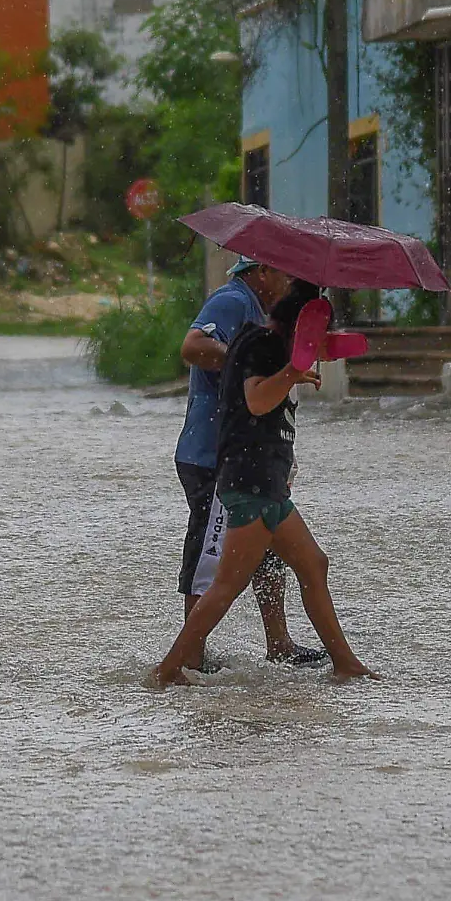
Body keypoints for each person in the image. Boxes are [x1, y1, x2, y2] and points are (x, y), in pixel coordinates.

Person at [154, 280, 377, 687]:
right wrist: (293, 372)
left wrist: (315, 358)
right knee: (227, 585)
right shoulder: (263, 346)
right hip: (251, 484)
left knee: (313, 563)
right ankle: (170, 669)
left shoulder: (273, 347)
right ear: (299, 329)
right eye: (316, 336)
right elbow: (256, 401)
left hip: (269, 483)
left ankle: (345, 663)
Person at [175, 257, 326, 670]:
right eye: (283, 274)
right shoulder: (232, 299)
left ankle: (279, 641)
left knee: (267, 550)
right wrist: (247, 362)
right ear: (260, 272)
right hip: (214, 456)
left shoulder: (258, 315)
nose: (286, 283)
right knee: (211, 557)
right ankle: (187, 655)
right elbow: (192, 347)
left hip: (250, 459)